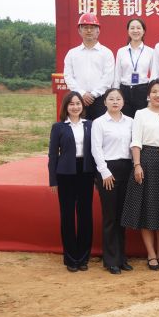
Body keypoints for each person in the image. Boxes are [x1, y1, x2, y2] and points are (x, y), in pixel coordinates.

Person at [121, 79, 159, 270]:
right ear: (148, 94)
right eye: (154, 91)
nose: (158, 95)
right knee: (147, 209)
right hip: (146, 161)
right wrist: (137, 165)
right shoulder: (141, 114)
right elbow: (136, 141)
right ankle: (151, 254)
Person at [47, 91, 95, 272]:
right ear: (66, 107)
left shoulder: (90, 125)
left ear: (83, 106)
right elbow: (53, 155)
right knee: (67, 216)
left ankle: (83, 258)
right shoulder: (58, 127)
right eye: (71, 104)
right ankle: (70, 258)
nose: (75, 107)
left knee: (85, 215)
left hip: (86, 172)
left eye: (78, 103)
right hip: (65, 173)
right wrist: (53, 180)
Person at [91, 88, 133, 274]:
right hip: (108, 170)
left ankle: (121, 257)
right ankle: (110, 260)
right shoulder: (99, 123)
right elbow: (96, 149)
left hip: (126, 169)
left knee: (122, 216)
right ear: (105, 102)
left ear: (123, 102)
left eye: (118, 99)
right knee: (110, 216)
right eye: (111, 99)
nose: (115, 102)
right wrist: (104, 172)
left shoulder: (130, 122)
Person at [63, 13, 114, 120]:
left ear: (98, 31)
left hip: (100, 100)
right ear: (79, 31)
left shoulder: (106, 53)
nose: (89, 31)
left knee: (100, 129)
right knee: (79, 129)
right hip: (78, 100)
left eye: (93, 27)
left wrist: (94, 94)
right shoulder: (72, 53)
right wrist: (82, 94)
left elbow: (108, 78)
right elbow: (68, 76)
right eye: (85, 27)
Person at [113, 18, 153, 118]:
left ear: (143, 31)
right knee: (125, 121)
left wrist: (150, 97)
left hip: (142, 91)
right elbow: (117, 74)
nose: (135, 31)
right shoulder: (121, 51)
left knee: (142, 121)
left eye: (138, 28)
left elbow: (153, 76)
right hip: (124, 91)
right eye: (132, 28)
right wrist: (116, 95)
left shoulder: (151, 52)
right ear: (128, 31)